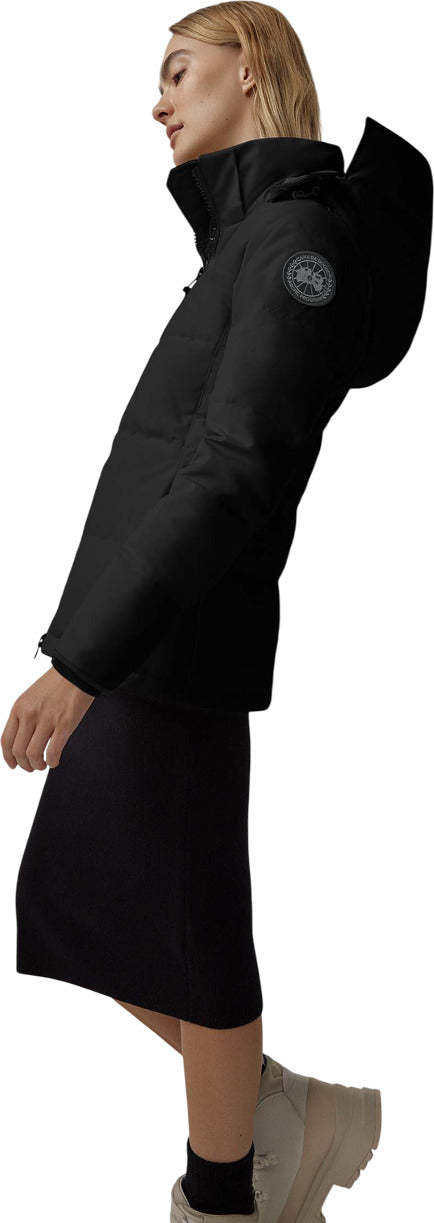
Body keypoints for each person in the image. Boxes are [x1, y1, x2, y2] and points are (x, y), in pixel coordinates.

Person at [3, 4, 432, 1221]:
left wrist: (82, 659)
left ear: (250, 71)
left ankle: (223, 1193)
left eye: (178, 70)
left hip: (172, 646)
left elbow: (236, 468)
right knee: (84, 910)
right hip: (144, 641)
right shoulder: (252, 240)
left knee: (187, 936)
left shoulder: (297, 238)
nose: (157, 100)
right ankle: (283, 1110)